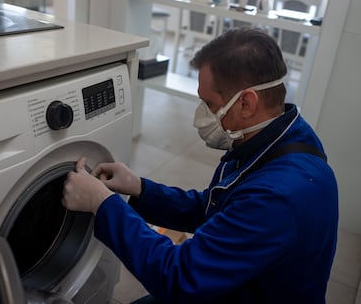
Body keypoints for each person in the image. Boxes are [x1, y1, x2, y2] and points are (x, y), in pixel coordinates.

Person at [62, 27, 338, 304]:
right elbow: (217, 209)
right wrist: (141, 189)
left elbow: (179, 278)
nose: (201, 115)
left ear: (246, 103)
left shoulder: (277, 196)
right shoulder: (284, 137)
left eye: (209, 103)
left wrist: (103, 205)